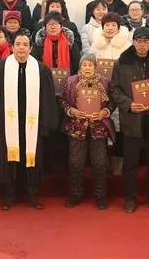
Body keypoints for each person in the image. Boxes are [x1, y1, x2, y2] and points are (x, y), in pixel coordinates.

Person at [0, 33, 58, 210]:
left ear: (30, 48)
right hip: (8, 123)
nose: (21, 47)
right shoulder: (1, 68)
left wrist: (45, 125)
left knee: (31, 159)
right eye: (18, 44)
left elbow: (48, 99)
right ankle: (10, 194)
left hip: (33, 125)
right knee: (10, 158)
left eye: (25, 44)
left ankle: (32, 193)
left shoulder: (41, 70)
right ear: (12, 47)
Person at [110, 27, 149, 213]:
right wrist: (129, 104)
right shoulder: (122, 61)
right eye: (139, 41)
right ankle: (130, 198)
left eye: (146, 41)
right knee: (130, 161)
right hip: (132, 117)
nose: (142, 44)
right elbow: (114, 89)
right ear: (133, 42)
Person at [60, 53, 114, 209]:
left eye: (90, 65)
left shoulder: (104, 82)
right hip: (77, 126)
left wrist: (105, 112)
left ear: (95, 67)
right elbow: (63, 101)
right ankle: (76, 194)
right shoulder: (71, 81)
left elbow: (112, 103)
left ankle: (101, 196)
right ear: (80, 66)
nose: (87, 68)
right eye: (84, 65)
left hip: (98, 127)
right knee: (75, 163)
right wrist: (72, 111)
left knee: (100, 163)